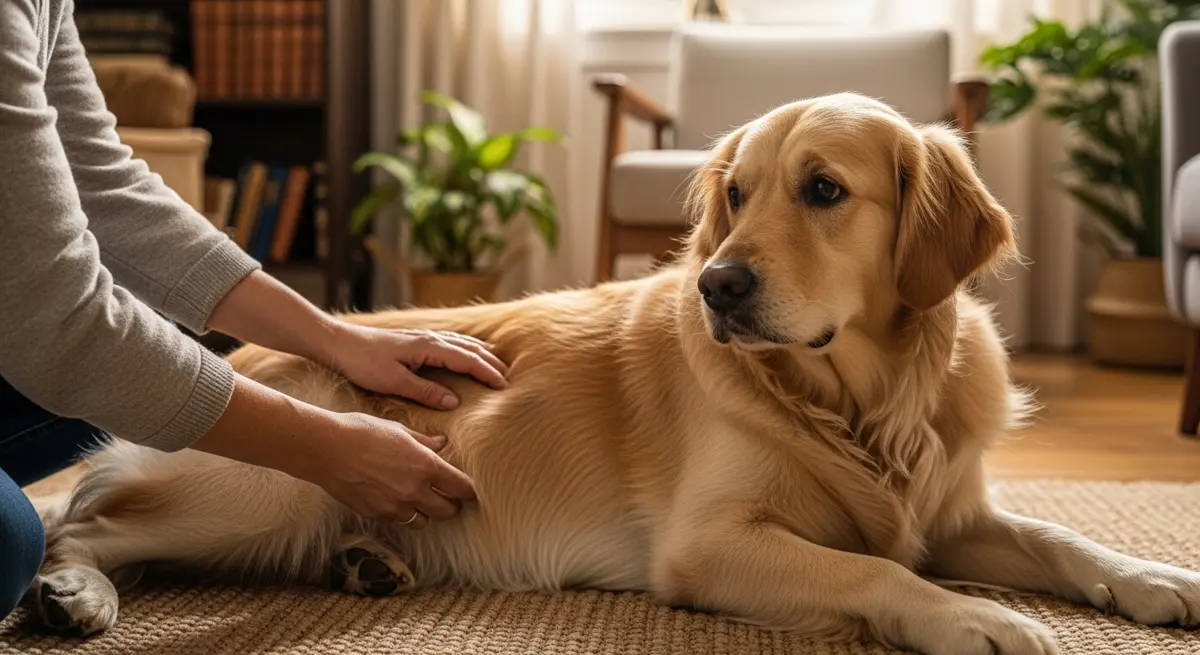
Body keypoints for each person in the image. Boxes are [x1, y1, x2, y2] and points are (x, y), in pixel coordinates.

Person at [0, 0, 508, 621]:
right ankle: (74, 540)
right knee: (9, 547)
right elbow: (60, 325)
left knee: (145, 353)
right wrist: (327, 448)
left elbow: (102, 185)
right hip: (36, 324)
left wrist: (336, 339)